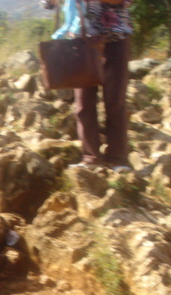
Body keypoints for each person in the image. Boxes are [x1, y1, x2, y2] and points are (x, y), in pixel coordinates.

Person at [43, 0, 133, 172]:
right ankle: (91, 158)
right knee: (83, 105)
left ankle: (118, 159)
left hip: (115, 39)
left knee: (115, 101)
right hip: (81, 40)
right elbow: (49, 4)